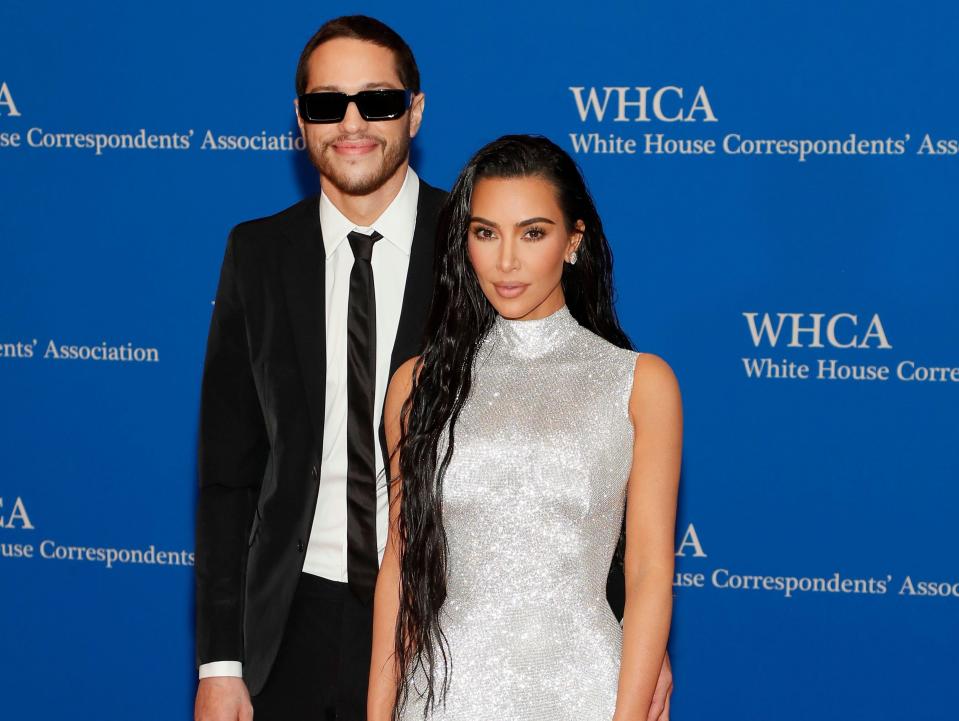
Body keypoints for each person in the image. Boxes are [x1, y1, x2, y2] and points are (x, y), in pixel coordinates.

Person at [194, 14, 674, 721]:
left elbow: (567, 444)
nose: (352, 122)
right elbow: (228, 474)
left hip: (453, 630)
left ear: (414, 111)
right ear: (300, 120)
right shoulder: (256, 254)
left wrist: (631, 638)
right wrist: (220, 662)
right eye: (327, 103)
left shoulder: (480, 241)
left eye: (378, 100)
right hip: (287, 624)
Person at [368, 135, 682, 721]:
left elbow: (647, 575)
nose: (505, 260)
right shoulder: (418, 386)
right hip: (444, 697)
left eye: (532, 233)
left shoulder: (639, 384)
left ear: (573, 242)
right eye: (485, 232)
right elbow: (402, 570)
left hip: (585, 693)